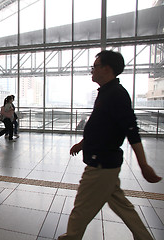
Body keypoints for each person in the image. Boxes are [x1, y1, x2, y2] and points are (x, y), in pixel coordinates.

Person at [58, 50, 162, 240]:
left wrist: (144, 165)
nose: (92, 70)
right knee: (122, 206)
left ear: (106, 69)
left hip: (101, 166)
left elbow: (132, 131)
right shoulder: (106, 93)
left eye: (95, 66)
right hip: (106, 164)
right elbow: (100, 128)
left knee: (80, 210)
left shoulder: (116, 95)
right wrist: (82, 144)